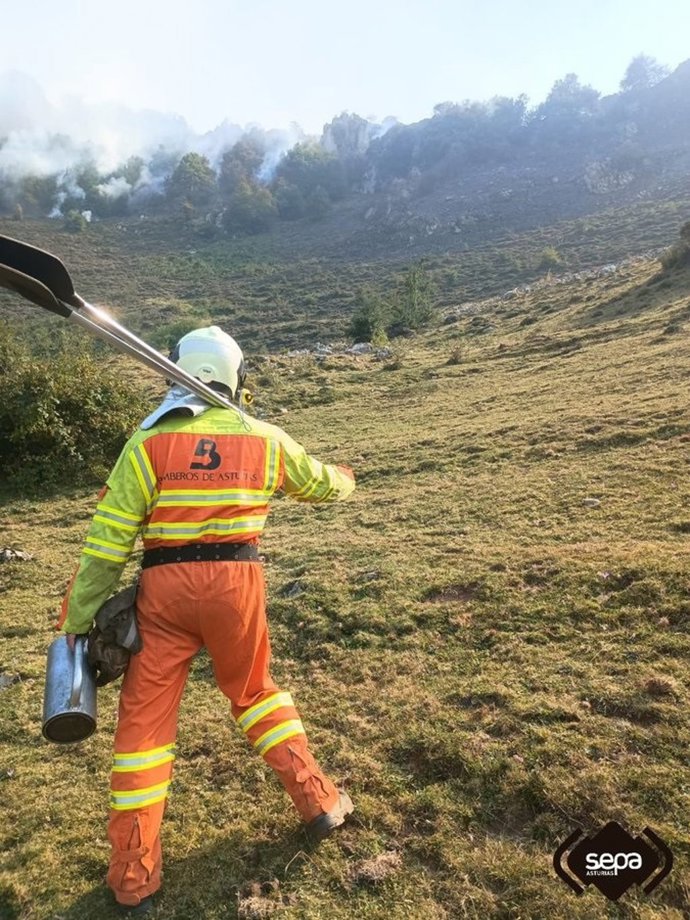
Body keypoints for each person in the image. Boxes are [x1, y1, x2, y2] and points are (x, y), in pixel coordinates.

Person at [57, 326, 356, 915]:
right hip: (237, 586)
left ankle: (134, 876)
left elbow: (105, 546)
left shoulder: (146, 444)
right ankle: (319, 801)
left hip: (163, 594)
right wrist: (346, 477)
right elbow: (321, 483)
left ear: (176, 372)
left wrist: (77, 618)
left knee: (143, 732)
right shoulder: (265, 438)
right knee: (256, 695)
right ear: (236, 376)